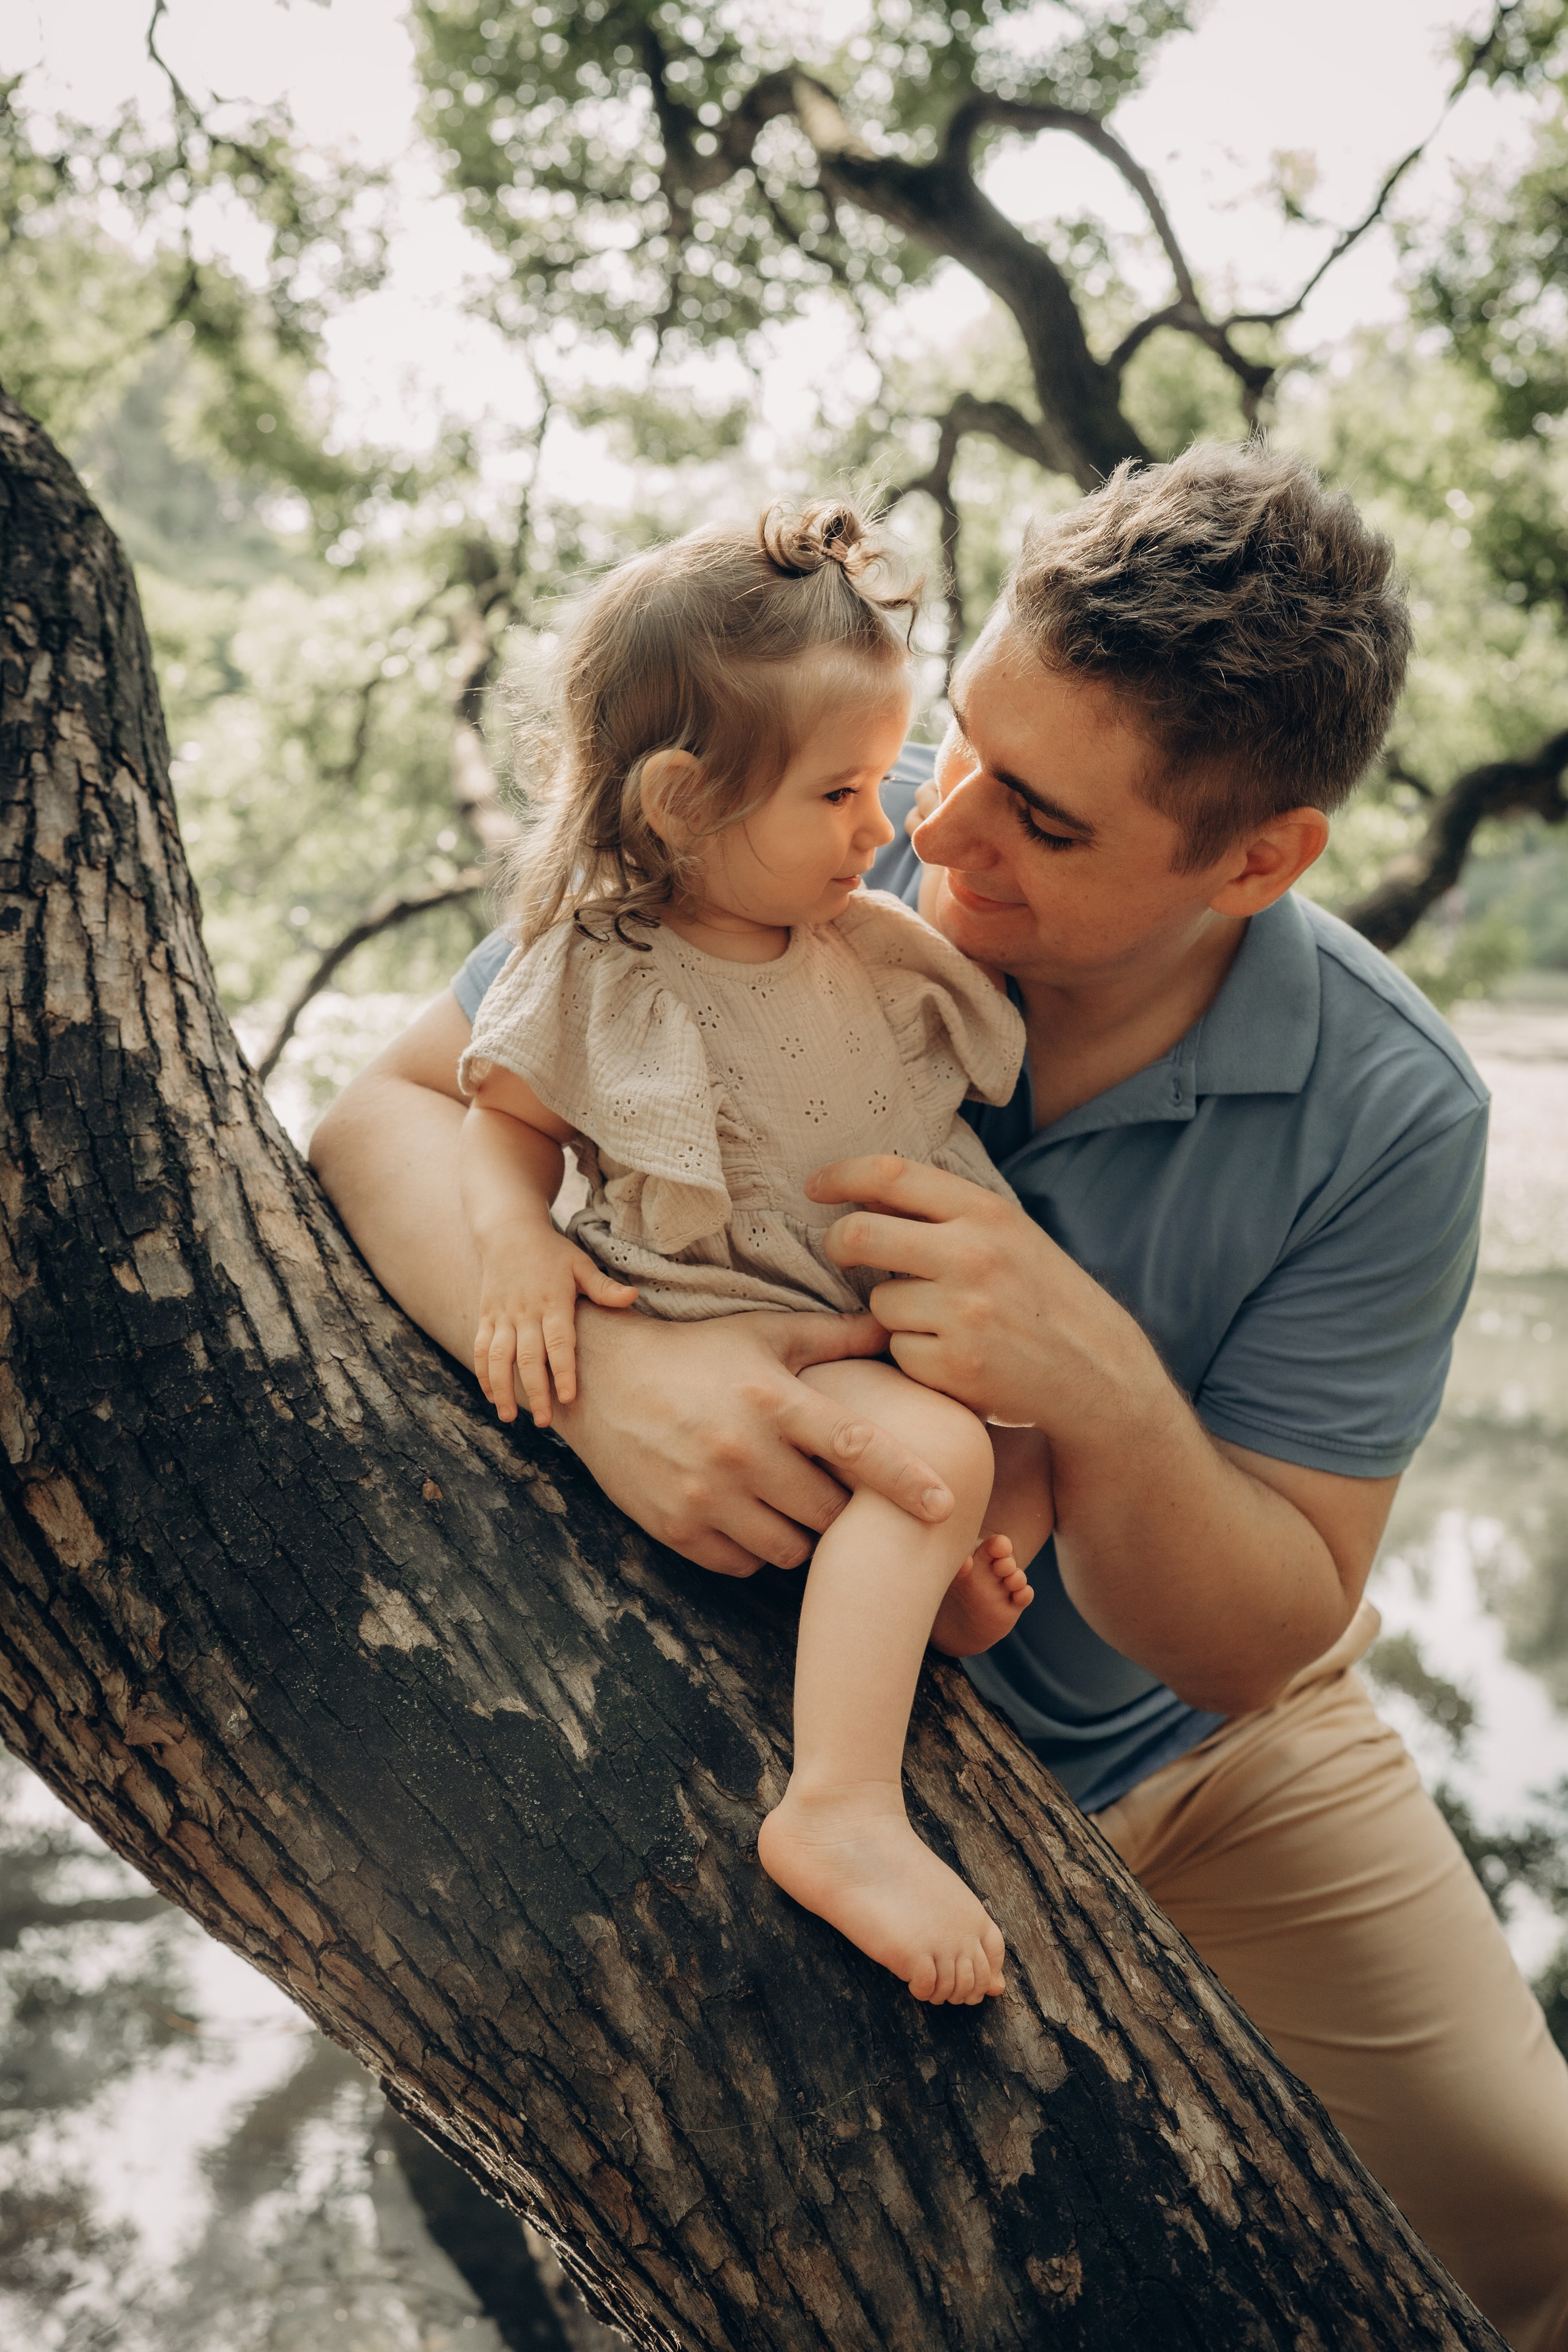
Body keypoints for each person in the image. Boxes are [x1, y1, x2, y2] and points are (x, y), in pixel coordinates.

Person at [310, 443, 1568, 2350]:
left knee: (1542, 2221)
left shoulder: (1392, 1113)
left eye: (1041, 822)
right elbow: (400, 1113)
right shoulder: (799, 802)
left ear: (1258, 859)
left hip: (1207, 1768)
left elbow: (1269, 1633)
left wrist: (1101, 1394)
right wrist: (611, 1381)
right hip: (768, 1695)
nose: (941, 826)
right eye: (961, 742)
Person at [454, 496, 1047, 2005]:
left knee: (1003, 1441)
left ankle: (942, 1598)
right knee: (933, 1455)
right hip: (717, 1329)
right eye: (841, 794)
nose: (885, 828)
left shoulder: (853, 940)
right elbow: (501, 1124)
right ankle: (836, 1807)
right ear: (675, 804)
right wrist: (514, 1258)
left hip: (864, 1321)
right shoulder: (601, 963)